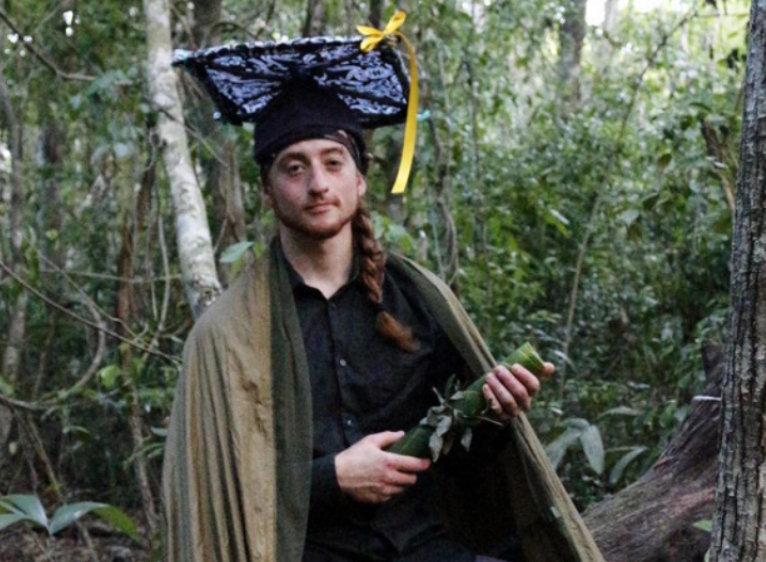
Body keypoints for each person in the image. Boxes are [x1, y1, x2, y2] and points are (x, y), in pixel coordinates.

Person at [164, 34, 602, 562]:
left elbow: (466, 467)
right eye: (294, 167)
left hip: (424, 549)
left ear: (360, 179)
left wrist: (494, 414)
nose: (317, 184)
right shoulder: (227, 335)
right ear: (267, 188)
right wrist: (333, 478)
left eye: (333, 162)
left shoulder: (417, 298)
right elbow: (216, 494)